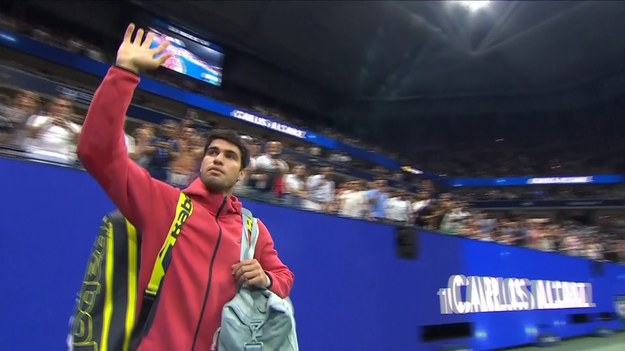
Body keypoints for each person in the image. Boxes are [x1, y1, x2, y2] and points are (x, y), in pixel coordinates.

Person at [77, 24, 294, 351]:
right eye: (212, 152)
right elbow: (97, 152)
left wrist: (266, 278)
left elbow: (284, 277)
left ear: (241, 174)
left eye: (230, 156)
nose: (218, 158)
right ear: (202, 161)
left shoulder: (253, 231)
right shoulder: (164, 203)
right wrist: (125, 72)